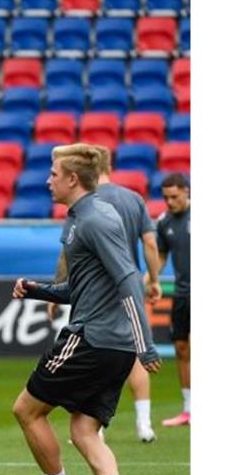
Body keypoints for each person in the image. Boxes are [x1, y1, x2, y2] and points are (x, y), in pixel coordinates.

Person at [11, 144, 161, 475]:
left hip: (93, 339)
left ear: (72, 179)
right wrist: (37, 290)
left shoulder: (95, 220)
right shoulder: (83, 217)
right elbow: (78, 288)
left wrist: (146, 342)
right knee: (83, 429)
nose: (48, 180)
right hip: (112, 345)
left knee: (26, 411)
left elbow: (128, 278)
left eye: (54, 174)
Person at [49, 146, 164, 442]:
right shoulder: (133, 199)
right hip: (129, 285)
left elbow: (69, 251)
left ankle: (90, 429)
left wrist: (56, 286)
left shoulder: (85, 203)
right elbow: (149, 243)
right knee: (130, 354)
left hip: (94, 292)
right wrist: (153, 279)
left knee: (93, 350)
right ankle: (143, 423)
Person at [156, 172, 190, 428]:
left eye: (174, 197)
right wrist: (150, 278)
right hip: (181, 294)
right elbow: (161, 256)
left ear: (187, 192)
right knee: (181, 348)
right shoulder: (163, 221)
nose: (169, 202)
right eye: (166, 197)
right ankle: (189, 409)